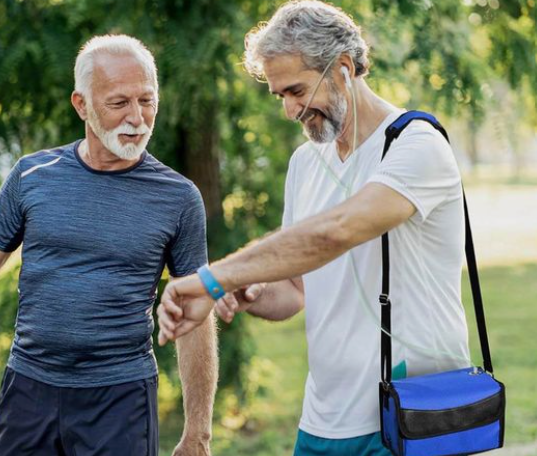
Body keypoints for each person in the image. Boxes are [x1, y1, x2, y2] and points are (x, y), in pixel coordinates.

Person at [157, 1, 471, 455]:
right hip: (323, 422)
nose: (290, 110)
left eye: (297, 90)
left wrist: (213, 277)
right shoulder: (306, 162)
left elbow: (335, 232)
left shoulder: (416, 144)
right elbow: (298, 288)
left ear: (343, 68)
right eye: (280, 95)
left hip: (409, 417)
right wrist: (252, 291)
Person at [0, 34, 217, 456]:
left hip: (119, 398)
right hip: (28, 388)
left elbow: (196, 313)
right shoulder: (31, 175)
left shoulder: (178, 197)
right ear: (81, 105)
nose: (137, 118)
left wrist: (198, 433)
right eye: (119, 103)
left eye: (147, 101)